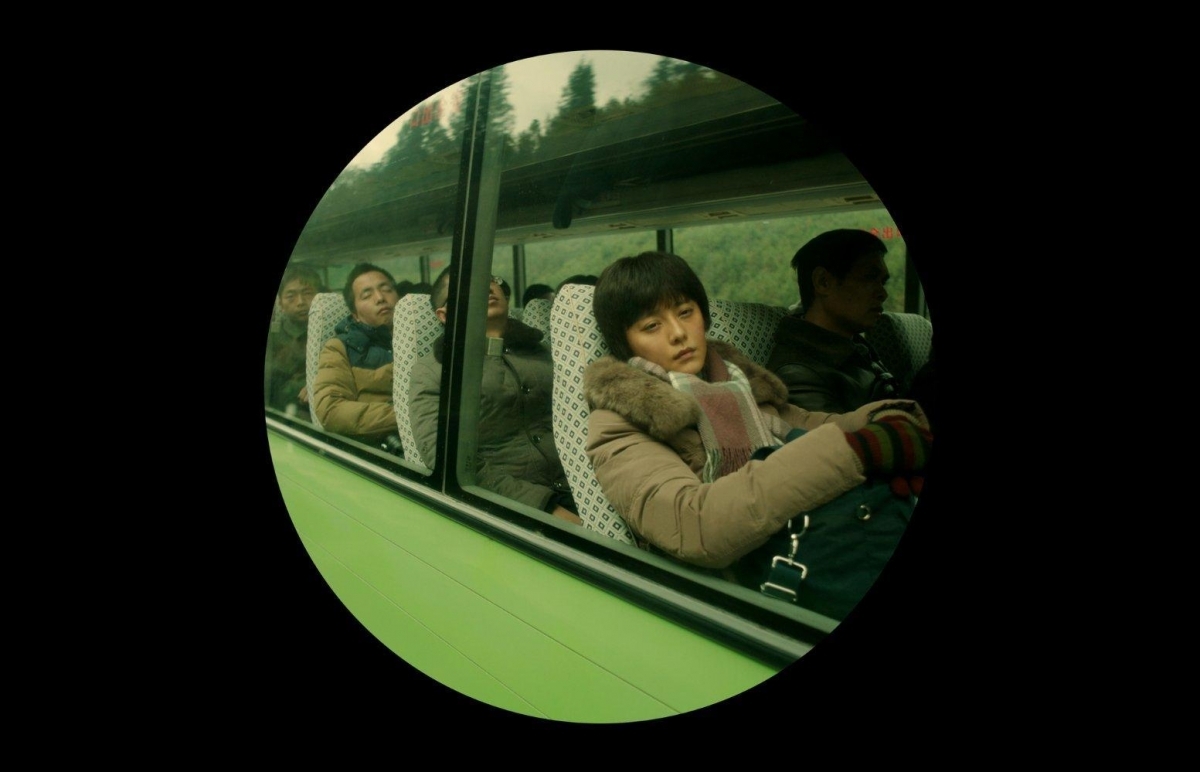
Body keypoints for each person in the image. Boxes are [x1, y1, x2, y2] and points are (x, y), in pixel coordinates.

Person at [583, 251, 931, 615]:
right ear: (625, 342)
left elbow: (816, 424)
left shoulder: (740, 386)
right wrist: (855, 452)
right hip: (748, 589)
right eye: (651, 326)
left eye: (685, 312)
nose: (678, 333)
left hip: (825, 542)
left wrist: (890, 419)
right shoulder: (620, 421)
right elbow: (695, 525)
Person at [408, 267, 581, 525]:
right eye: (467, 287)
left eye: (491, 279)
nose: (487, 286)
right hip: (511, 508)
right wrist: (546, 508)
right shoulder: (434, 371)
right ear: (444, 315)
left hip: (583, 486)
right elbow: (451, 462)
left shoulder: (545, 352)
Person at [766, 229, 902, 414]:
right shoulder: (798, 374)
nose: (883, 294)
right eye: (869, 278)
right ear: (823, 282)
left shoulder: (856, 348)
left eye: (882, 282)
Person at [311, 263, 402, 450]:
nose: (380, 298)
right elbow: (331, 410)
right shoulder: (339, 348)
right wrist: (406, 416)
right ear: (355, 315)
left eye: (386, 289)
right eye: (367, 295)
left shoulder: (428, 340)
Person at [265, 264, 324, 417]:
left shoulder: (335, 332)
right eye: (291, 296)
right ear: (280, 304)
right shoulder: (272, 339)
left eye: (307, 293)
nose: (300, 302)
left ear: (320, 297)